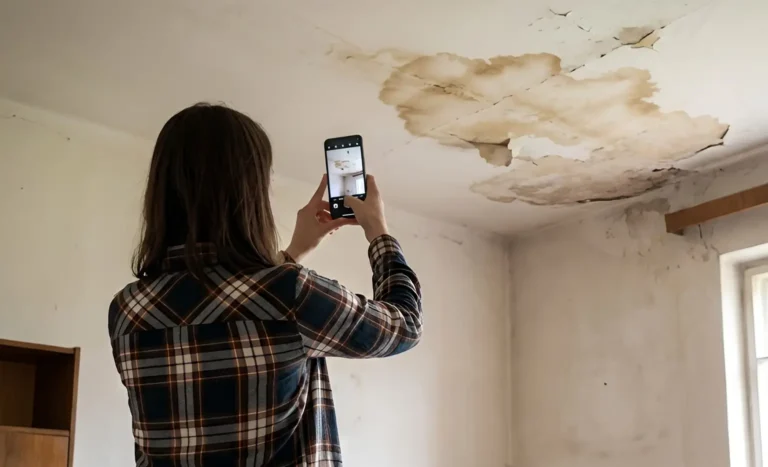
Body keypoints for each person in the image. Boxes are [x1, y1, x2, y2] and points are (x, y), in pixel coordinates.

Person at [108, 103, 423, 466]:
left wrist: (292, 252)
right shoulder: (287, 293)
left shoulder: (126, 310)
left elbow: (226, 303)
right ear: (249, 193)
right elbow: (404, 326)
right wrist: (378, 231)